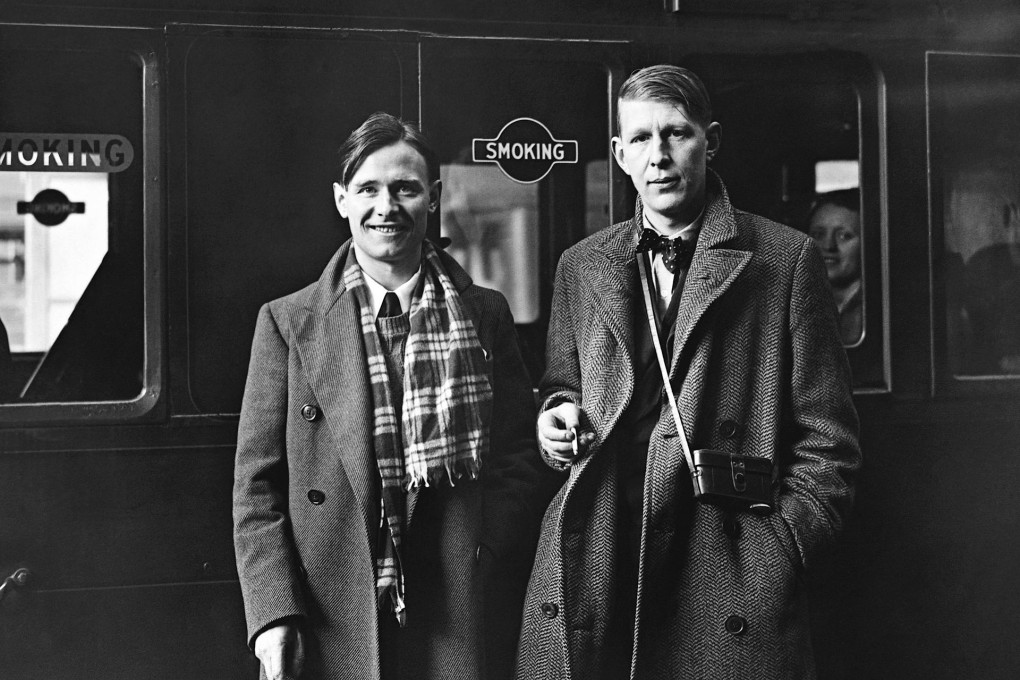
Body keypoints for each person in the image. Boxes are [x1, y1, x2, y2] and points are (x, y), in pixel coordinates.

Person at [516, 65, 861, 680]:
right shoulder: (581, 266)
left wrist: (774, 556)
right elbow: (561, 384)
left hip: (723, 565)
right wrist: (554, 419)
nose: (660, 156)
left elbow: (828, 446)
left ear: (712, 141)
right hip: (603, 546)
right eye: (642, 139)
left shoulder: (783, 260)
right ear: (620, 156)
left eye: (677, 134)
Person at [233, 112, 554, 680]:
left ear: (432, 197)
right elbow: (257, 492)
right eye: (368, 189)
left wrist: (486, 549)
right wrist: (274, 614)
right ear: (341, 200)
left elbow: (517, 460)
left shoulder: (485, 314)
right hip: (331, 605)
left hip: (455, 597)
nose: (387, 207)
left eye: (405, 189)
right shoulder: (286, 323)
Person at [807, 189, 863, 345]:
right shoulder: (798, 301)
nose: (828, 246)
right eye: (818, 235)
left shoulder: (881, 308)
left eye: (844, 235)